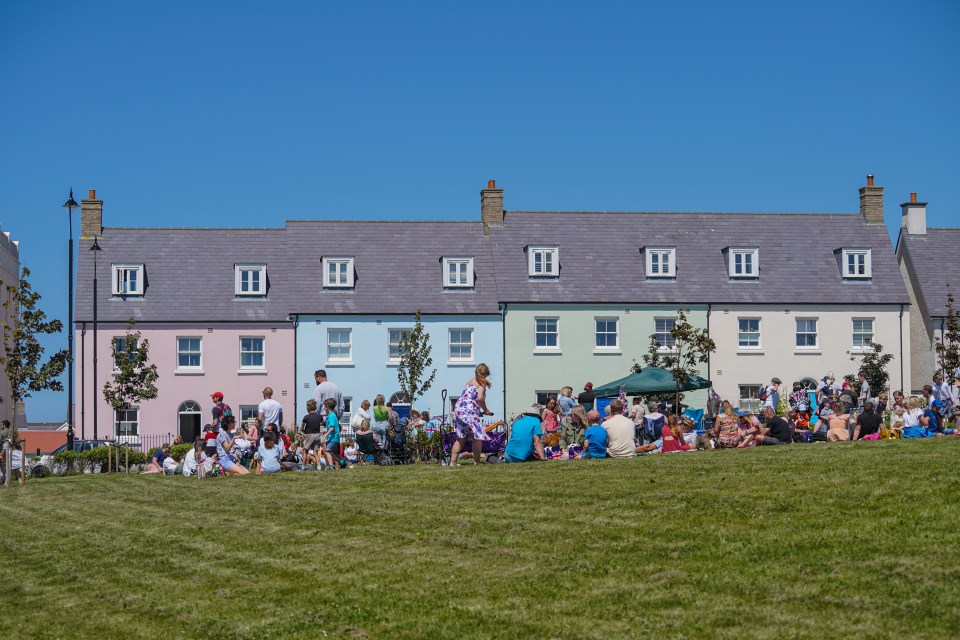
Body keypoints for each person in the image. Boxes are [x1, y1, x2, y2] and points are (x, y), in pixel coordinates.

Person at [449, 363, 494, 467]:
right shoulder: (481, 382)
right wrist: (486, 410)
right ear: (486, 373)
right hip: (468, 410)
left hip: (459, 409)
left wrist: (477, 412)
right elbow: (480, 398)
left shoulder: (470, 381)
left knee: (461, 437)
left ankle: (453, 462)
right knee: (477, 437)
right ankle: (477, 462)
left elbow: (468, 398)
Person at [301, 399, 326, 464]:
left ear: (307, 408)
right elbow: (323, 424)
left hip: (309, 435)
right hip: (317, 435)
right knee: (315, 453)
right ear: (315, 407)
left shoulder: (306, 417)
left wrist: (305, 432)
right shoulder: (319, 416)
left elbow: (301, 428)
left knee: (306, 452)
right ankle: (319, 467)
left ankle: (303, 467)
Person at [322, 397, 343, 470]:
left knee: (327, 451)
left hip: (332, 438)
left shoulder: (331, 416)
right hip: (332, 437)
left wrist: (325, 435)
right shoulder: (331, 415)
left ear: (327, 407)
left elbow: (332, 428)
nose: (324, 408)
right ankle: (341, 461)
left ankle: (331, 466)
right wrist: (325, 431)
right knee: (331, 453)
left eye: (324, 406)